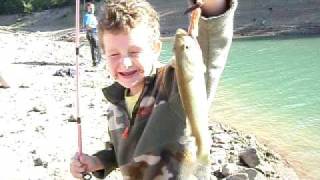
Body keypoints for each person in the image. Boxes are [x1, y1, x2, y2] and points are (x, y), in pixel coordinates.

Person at [70, 0, 237, 179]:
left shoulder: (173, 84)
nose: (125, 63)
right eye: (114, 54)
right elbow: (124, 150)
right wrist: (98, 161)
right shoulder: (116, 103)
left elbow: (211, 44)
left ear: (156, 48)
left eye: (134, 52)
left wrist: (211, 5)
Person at [83, 2, 100, 66]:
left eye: (93, 8)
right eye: (90, 8)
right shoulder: (88, 16)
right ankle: (95, 62)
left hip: (94, 33)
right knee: (94, 47)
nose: (92, 9)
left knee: (96, 47)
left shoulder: (93, 16)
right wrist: (96, 27)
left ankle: (97, 61)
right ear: (88, 9)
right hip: (91, 33)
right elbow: (87, 26)